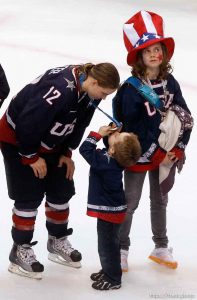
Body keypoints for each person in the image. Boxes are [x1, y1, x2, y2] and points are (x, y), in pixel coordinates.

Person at [0, 62, 120, 279]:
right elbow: (27, 123)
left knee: (61, 189)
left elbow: (79, 123)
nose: (103, 98)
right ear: (93, 82)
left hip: (51, 141)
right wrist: (30, 157)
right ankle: (20, 249)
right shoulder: (59, 91)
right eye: (103, 93)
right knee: (28, 195)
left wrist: (66, 152)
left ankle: (57, 240)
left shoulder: (87, 90)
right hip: (19, 141)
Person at [112, 10, 193, 272]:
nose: (154, 54)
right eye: (148, 51)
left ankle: (160, 246)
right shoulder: (131, 88)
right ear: (139, 57)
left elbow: (186, 117)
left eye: (158, 49)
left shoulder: (171, 82)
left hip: (165, 156)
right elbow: (130, 126)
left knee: (160, 201)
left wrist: (178, 148)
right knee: (131, 202)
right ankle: (121, 249)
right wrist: (153, 150)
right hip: (139, 156)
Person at [79, 124, 141, 290]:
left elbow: (85, 150)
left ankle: (113, 279)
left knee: (107, 248)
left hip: (109, 214)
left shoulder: (105, 163)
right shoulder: (112, 160)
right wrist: (112, 136)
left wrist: (98, 134)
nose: (117, 133)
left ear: (113, 150)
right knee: (110, 245)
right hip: (113, 212)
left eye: (118, 136)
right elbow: (106, 150)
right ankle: (108, 270)